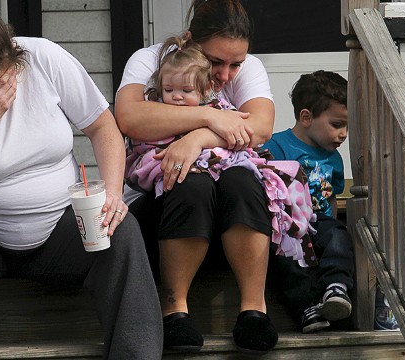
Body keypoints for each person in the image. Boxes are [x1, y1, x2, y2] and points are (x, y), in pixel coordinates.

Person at [0, 3, 162, 359]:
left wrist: (113, 193)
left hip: (61, 227)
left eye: (3, 79)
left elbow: (103, 127)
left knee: (122, 229)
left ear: (15, 55)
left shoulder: (44, 58)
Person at [115, 0, 278, 354]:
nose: (225, 75)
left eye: (236, 64)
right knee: (191, 180)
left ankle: (254, 310)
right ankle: (175, 312)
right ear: (189, 42)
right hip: (163, 212)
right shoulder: (149, 60)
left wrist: (198, 138)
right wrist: (214, 118)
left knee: (242, 178)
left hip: (230, 213)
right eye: (216, 62)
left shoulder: (246, 68)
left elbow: (261, 126)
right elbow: (129, 116)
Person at [263, 70, 355, 333]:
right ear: (306, 117)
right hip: (288, 224)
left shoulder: (333, 158)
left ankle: (336, 289)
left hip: (320, 222)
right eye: (337, 125)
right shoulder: (277, 146)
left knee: (339, 235)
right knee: (286, 263)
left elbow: (332, 197)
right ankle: (307, 309)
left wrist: (334, 228)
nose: (344, 134)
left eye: (347, 126)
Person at [126, 35, 249, 198]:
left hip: (211, 167)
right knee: (192, 185)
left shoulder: (217, 107)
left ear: (205, 89)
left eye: (186, 90)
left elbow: (242, 128)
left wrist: (200, 138)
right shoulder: (155, 108)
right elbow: (139, 144)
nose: (177, 96)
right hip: (167, 170)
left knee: (241, 178)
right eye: (169, 90)